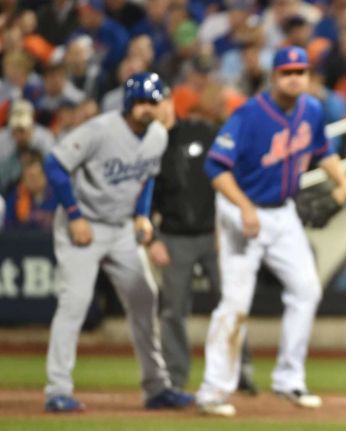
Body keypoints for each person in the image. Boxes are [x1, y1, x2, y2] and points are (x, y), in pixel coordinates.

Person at [196, 46, 346, 417]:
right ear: (274, 76)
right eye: (287, 72)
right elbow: (215, 167)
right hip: (241, 210)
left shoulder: (311, 110)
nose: (295, 77)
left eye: (301, 71)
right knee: (235, 305)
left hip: (283, 214)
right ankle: (213, 390)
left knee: (307, 289)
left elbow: (322, 150)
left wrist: (342, 181)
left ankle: (289, 379)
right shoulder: (250, 114)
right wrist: (245, 208)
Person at [41, 72, 193, 412]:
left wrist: (142, 214)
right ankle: (57, 390)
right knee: (75, 303)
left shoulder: (157, 136)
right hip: (83, 227)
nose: (146, 109)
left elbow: (147, 178)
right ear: (128, 103)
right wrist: (75, 214)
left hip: (121, 228)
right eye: (140, 102)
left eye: (152, 102)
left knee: (145, 298)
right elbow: (55, 164)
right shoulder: (101, 129)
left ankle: (156, 387)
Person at [148, 98, 258, 395]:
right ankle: (174, 376)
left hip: (214, 234)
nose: (154, 110)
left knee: (233, 301)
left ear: (169, 104)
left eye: (157, 103)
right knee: (173, 310)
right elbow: (143, 197)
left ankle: (240, 369)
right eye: (147, 105)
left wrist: (231, 224)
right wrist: (152, 239)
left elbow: (229, 171)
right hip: (173, 237)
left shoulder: (201, 131)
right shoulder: (148, 148)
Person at [3, 150, 58, 230]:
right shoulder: (15, 197)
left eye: (36, 176)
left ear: (45, 174)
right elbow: (8, 226)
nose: (33, 181)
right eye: (29, 177)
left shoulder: (58, 194)